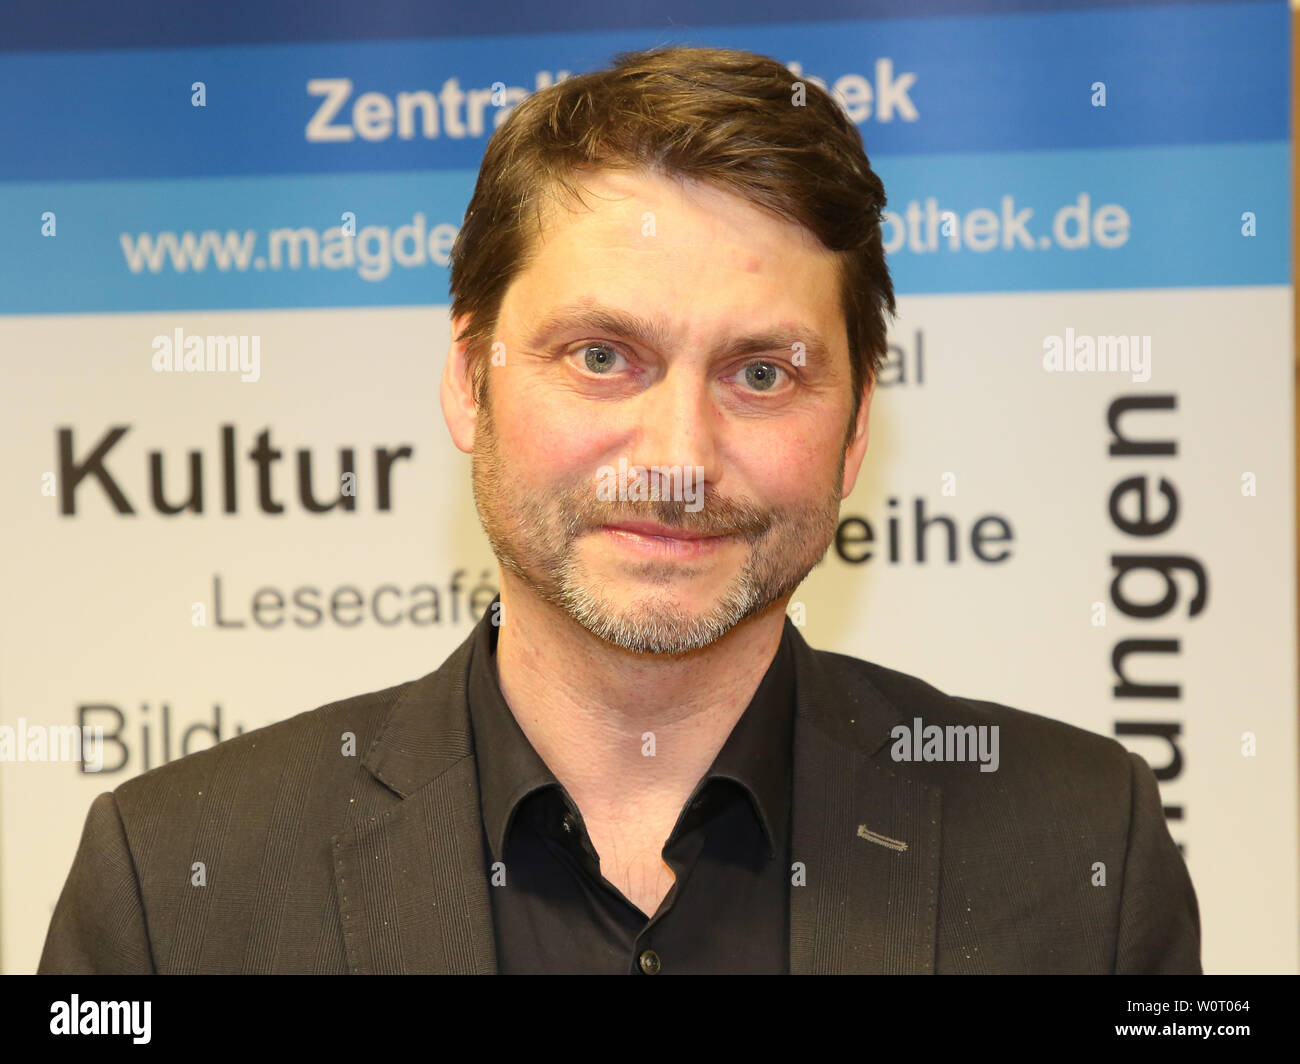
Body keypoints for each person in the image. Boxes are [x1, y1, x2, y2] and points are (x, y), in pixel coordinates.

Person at [38, 44, 1200, 974]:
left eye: (761, 373)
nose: (678, 459)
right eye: (603, 355)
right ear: (466, 378)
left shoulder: (1083, 850)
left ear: (852, 432)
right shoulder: (176, 878)